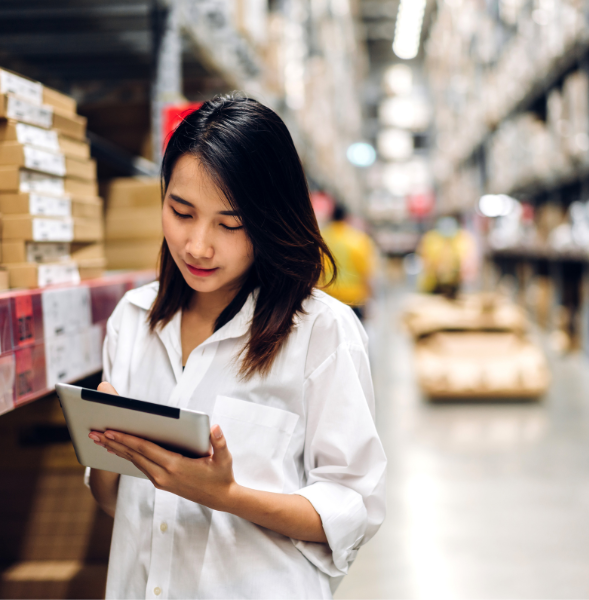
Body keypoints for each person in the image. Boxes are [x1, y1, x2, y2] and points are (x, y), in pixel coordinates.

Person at [87, 96, 387, 599]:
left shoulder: (321, 332)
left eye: (230, 224)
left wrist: (226, 496)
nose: (198, 246)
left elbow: (353, 508)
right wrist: (105, 451)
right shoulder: (132, 321)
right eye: (181, 212)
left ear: (270, 221)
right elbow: (114, 502)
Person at [320, 202, 377, 320]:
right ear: (346, 218)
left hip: (327, 300)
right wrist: (370, 299)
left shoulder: (320, 238)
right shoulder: (358, 239)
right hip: (354, 301)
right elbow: (366, 273)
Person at [417, 216, 476, 297]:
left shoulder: (462, 238)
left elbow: (468, 262)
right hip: (433, 285)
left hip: (456, 286)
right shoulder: (431, 238)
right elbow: (425, 260)